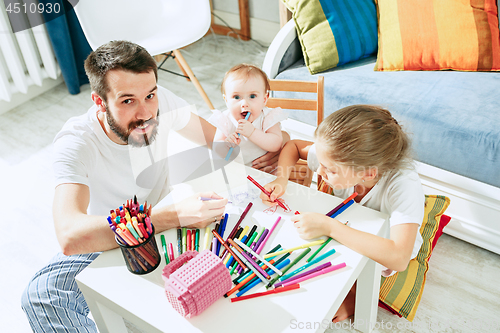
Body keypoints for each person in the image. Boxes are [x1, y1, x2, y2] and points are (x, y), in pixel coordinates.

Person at [20, 41, 280, 332]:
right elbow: (69, 235)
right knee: (41, 294)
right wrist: (171, 216)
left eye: (150, 95)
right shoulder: (76, 142)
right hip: (114, 233)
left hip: (164, 218)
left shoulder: (161, 100)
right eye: (127, 101)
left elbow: (218, 145)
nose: (145, 113)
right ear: (99, 101)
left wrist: (270, 154)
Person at [260, 105, 424, 322]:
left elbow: (399, 258)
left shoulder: (405, 185)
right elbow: (293, 146)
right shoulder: (337, 158)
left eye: (330, 170)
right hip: (347, 219)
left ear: (368, 173)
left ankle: (357, 294)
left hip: (386, 243)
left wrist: (330, 227)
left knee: (345, 273)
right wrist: (282, 179)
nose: (319, 171)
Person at [209, 63, 288, 167]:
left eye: (252, 96)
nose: (245, 104)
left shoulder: (267, 117)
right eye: (237, 97)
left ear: (264, 99)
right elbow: (217, 147)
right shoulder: (226, 119)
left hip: (264, 169)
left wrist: (252, 132)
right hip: (236, 170)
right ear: (226, 100)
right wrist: (225, 145)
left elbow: (276, 144)